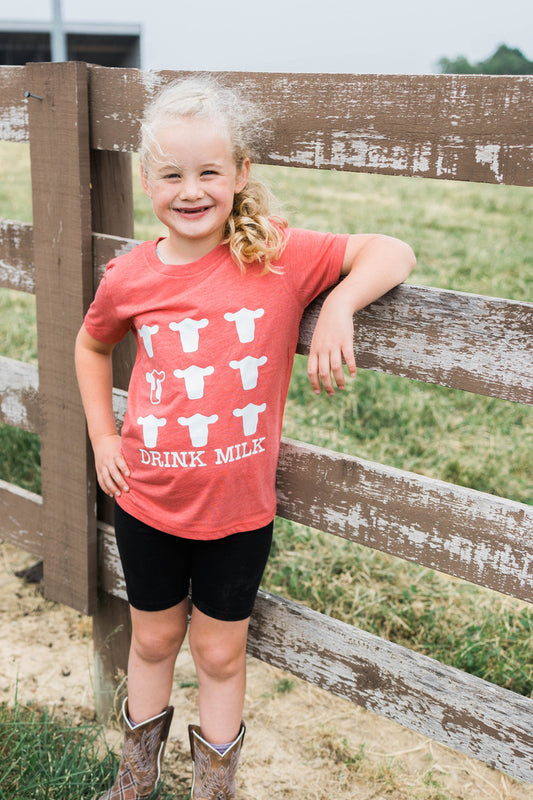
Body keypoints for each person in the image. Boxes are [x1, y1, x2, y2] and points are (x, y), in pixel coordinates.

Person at [75, 75, 415, 800]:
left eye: (208, 172)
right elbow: (90, 344)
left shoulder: (279, 258)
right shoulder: (130, 276)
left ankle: (213, 791)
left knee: (222, 653)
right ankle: (134, 782)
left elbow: (391, 250)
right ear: (146, 180)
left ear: (240, 175)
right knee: (154, 640)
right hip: (147, 501)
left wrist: (341, 306)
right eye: (171, 174)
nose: (190, 190)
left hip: (237, 513)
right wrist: (104, 436)